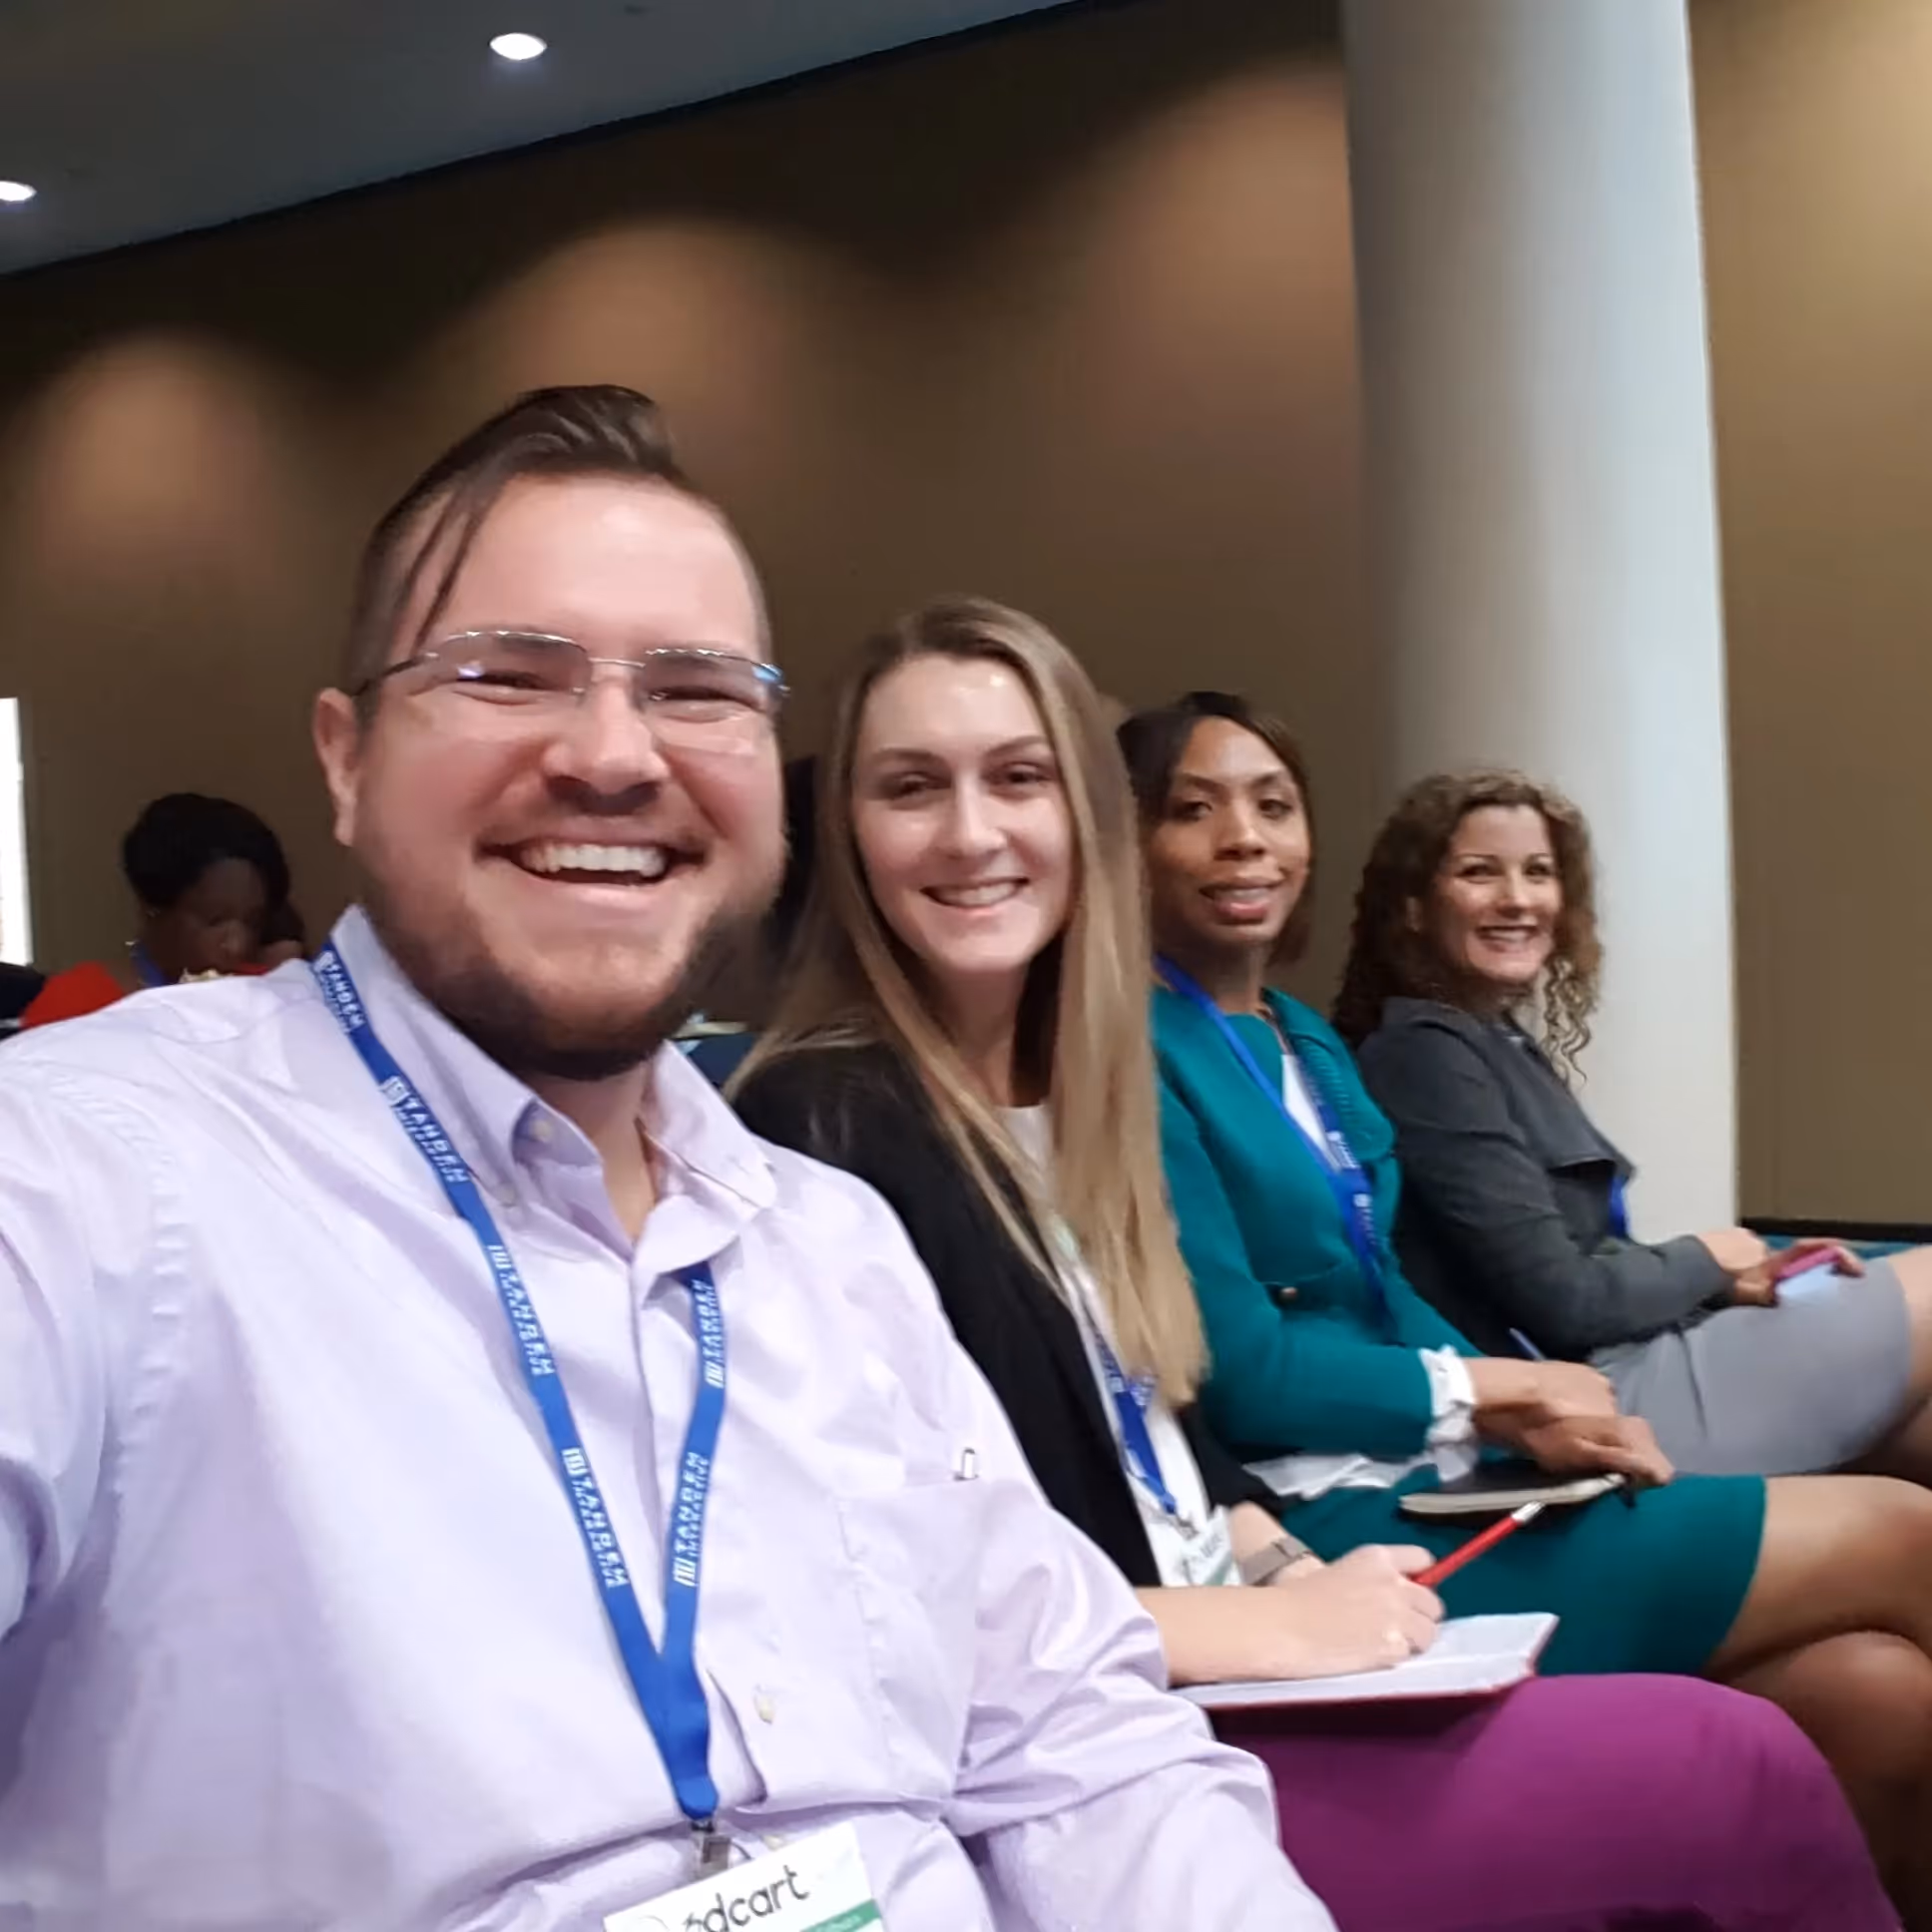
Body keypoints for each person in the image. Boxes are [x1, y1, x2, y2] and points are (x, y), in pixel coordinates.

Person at [0, 391, 1333, 1930]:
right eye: (508, 674)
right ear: (347, 761)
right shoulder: (88, 1173)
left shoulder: (831, 1246)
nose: (615, 754)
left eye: (698, 692)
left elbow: (1077, 1750)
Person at [730, 599, 1897, 1931]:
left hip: (1250, 1600)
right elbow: (895, 1586)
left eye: (1017, 778)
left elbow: (1151, 1416)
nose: (971, 832)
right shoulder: (823, 1122)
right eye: (911, 788)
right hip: (1101, 1739)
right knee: (1747, 1740)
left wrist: (1278, 1560)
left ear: (1086, 823)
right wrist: (1266, 1615)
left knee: (1867, 1694)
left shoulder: (1084, 1091)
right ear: (845, 837)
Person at [1122, 689, 1932, 1917]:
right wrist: (1484, 1386)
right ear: (1125, 844)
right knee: (1905, 1531)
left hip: (1453, 1476)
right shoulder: (1131, 1052)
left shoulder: (1302, 1038)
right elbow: (1241, 1369)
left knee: (1875, 1695)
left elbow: (1387, 1289)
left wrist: (1535, 1413)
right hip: (1337, 1529)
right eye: (1194, 809)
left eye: (1273, 805)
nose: (1245, 837)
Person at [1335, 769, 1932, 1485]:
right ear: (1412, 908)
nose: (1518, 898)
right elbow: (1566, 1302)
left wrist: (1729, 1284)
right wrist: (1709, 1258)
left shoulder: (1492, 1038)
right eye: (1479, 873)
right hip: (1593, 1402)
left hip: (1636, 1357)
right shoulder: (1423, 1054)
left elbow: (1584, 1258)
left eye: (1538, 872)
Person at [19, 791, 292, 1027]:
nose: (237, 945)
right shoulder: (75, 1005)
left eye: (253, 922)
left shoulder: (267, 998)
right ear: (152, 905)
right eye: (214, 920)